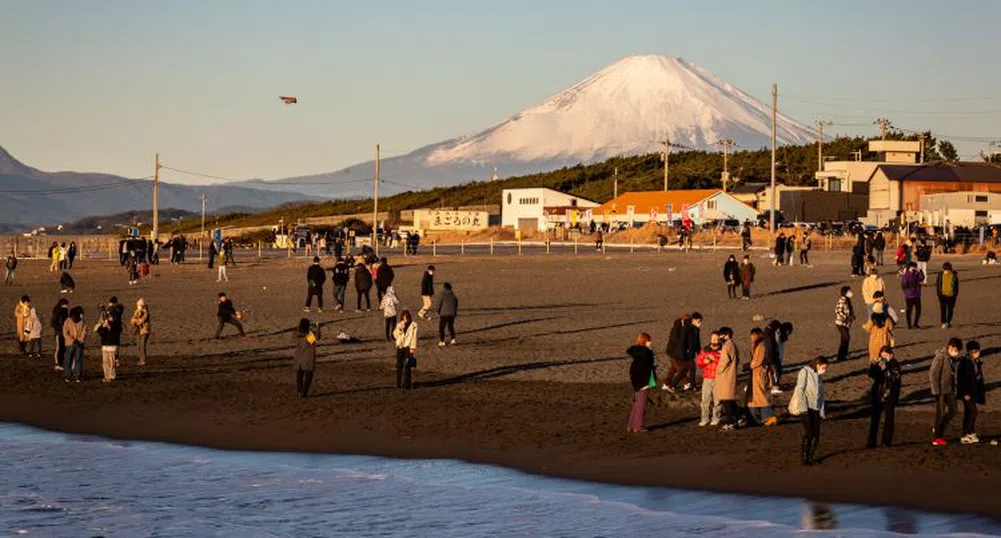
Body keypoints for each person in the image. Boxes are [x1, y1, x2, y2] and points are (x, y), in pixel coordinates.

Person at [790, 357, 828, 466]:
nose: (824, 370)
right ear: (817, 364)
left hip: (815, 408)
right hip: (806, 408)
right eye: (823, 367)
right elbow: (800, 390)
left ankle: (810, 457)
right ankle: (805, 458)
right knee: (809, 433)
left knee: (816, 435)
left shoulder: (819, 375)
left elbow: (821, 394)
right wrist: (803, 408)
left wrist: (821, 410)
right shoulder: (804, 372)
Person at [866, 346, 901, 448]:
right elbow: (871, 374)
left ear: (891, 355)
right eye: (882, 356)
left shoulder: (895, 364)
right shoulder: (878, 362)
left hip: (890, 394)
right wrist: (873, 365)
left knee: (889, 419)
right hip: (878, 393)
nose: (884, 358)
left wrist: (886, 368)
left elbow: (894, 378)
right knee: (874, 419)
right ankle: (871, 442)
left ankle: (886, 442)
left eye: (886, 356)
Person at [929, 338, 962, 446]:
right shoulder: (940, 357)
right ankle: (937, 437)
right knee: (940, 413)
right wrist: (936, 391)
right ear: (950, 347)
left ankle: (938, 429)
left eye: (957, 350)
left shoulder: (951, 359)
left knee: (953, 410)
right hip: (940, 391)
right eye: (955, 349)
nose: (956, 352)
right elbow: (933, 373)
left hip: (950, 390)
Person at [627, 332, 657, 433]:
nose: (650, 342)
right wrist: (644, 384)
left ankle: (631, 425)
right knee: (641, 405)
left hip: (637, 382)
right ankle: (638, 426)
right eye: (649, 341)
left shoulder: (637, 354)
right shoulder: (645, 354)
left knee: (636, 404)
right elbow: (646, 368)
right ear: (645, 341)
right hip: (643, 382)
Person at [747, 328, 777, 426]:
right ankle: (758, 419)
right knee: (756, 397)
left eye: (753, 335)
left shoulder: (761, 346)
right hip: (758, 373)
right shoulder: (761, 345)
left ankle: (768, 417)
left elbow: (756, 361)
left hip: (758, 374)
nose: (752, 337)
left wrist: (748, 366)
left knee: (759, 396)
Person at [957, 340, 985, 445]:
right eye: (975, 351)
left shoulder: (975, 361)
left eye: (977, 351)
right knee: (973, 411)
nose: (977, 353)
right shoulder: (965, 362)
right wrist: (965, 393)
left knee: (969, 412)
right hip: (967, 393)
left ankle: (965, 434)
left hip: (972, 393)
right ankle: (969, 432)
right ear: (969, 351)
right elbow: (961, 379)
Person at [95, 297, 124, 383]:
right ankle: (106, 376)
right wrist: (104, 326)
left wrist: (109, 326)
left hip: (111, 344)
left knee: (111, 362)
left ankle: (111, 375)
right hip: (105, 344)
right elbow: (100, 332)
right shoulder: (106, 323)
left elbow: (117, 332)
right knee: (105, 362)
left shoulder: (116, 324)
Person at [696, 331, 722, 427]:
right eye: (713, 339)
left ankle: (716, 418)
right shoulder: (705, 350)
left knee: (717, 400)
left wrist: (714, 357)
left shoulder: (722, 350)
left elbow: (723, 361)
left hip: (718, 378)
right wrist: (705, 361)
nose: (715, 341)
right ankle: (704, 418)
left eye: (717, 339)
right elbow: (699, 362)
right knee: (705, 400)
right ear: (710, 339)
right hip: (707, 378)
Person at [293, 318, 319, 398]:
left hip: (299, 357)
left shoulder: (297, 335)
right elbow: (317, 338)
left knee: (299, 376)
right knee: (308, 376)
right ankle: (304, 392)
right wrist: (317, 328)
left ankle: (299, 392)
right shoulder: (309, 336)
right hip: (308, 357)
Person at [393, 310, 418, 389]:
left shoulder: (414, 325)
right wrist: (400, 329)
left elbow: (414, 338)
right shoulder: (399, 324)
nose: (405, 319)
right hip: (400, 347)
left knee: (407, 366)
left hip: (408, 348)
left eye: (406, 317)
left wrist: (413, 349)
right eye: (403, 317)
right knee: (399, 366)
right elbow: (395, 335)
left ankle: (407, 384)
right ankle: (398, 384)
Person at [62, 306, 86, 383]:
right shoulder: (68, 321)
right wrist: (75, 341)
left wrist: (77, 341)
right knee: (71, 360)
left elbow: (84, 333)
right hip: (72, 344)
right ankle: (71, 376)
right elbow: (65, 333)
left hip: (75, 344)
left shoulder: (81, 322)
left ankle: (75, 376)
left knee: (75, 360)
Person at [434, 282, 459, 347]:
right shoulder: (453, 296)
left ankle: (442, 341)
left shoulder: (442, 295)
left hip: (444, 314)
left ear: (444, 287)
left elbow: (438, 304)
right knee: (451, 326)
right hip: (452, 314)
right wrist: (454, 312)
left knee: (442, 328)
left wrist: (438, 311)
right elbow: (456, 305)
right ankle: (453, 339)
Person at [834, 286, 855, 363]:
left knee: (845, 339)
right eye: (849, 291)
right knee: (846, 338)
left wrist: (852, 316)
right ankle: (840, 356)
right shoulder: (842, 300)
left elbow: (850, 310)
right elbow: (838, 311)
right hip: (841, 323)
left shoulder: (848, 300)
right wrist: (846, 317)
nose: (851, 292)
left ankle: (843, 355)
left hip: (846, 324)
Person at [900, 262, 924, 329]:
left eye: (915, 267)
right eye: (913, 267)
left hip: (917, 294)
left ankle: (915, 323)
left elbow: (922, 278)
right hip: (909, 296)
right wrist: (908, 290)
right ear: (910, 267)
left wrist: (920, 271)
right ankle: (909, 325)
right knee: (909, 310)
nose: (914, 268)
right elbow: (904, 286)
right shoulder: (906, 275)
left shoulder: (917, 273)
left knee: (918, 310)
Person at [936, 262, 959, 329]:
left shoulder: (954, 276)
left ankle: (948, 322)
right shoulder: (940, 275)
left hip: (951, 296)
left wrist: (955, 294)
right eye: (944, 270)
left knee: (950, 310)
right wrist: (939, 294)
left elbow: (956, 286)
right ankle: (943, 322)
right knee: (943, 310)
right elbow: (938, 284)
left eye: (947, 270)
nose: (945, 271)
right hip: (942, 295)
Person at [50, 298, 70, 371]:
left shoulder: (65, 312)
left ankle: (60, 363)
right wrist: (61, 329)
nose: (67, 306)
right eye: (66, 305)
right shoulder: (58, 312)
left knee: (62, 349)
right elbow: (52, 323)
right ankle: (57, 364)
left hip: (64, 333)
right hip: (59, 334)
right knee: (59, 349)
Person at [130, 298, 151, 366]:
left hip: (144, 331)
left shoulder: (146, 312)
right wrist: (134, 321)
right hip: (138, 330)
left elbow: (142, 320)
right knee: (138, 346)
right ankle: (141, 359)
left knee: (142, 345)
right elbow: (132, 320)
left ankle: (143, 360)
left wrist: (136, 321)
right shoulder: (136, 311)